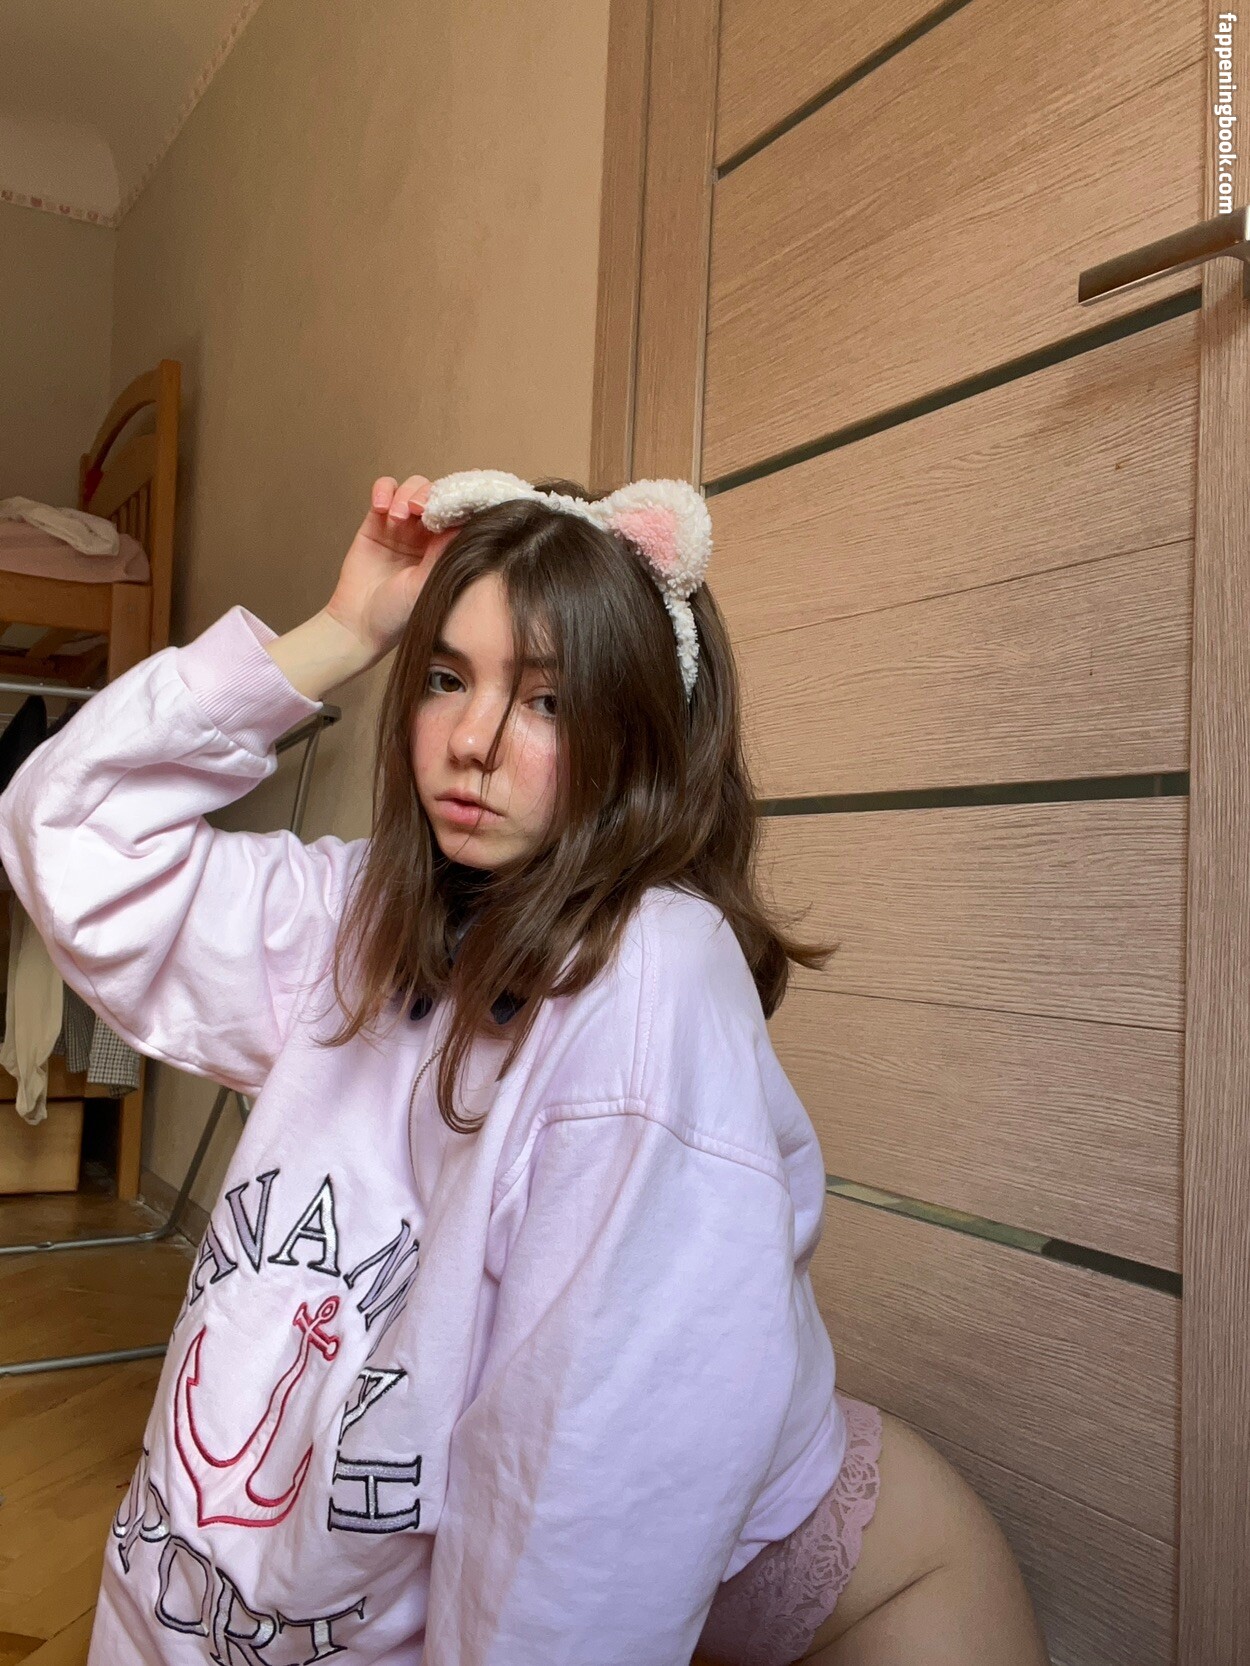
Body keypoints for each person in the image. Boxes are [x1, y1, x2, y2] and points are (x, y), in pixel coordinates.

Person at [0, 470, 1049, 1665]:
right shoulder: (359, 916)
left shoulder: (650, 979)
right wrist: (340, 631)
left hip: (853, 1581)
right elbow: (64, 832)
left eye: (546, 700)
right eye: (445, 678)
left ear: (635, 736)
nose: (472, 739)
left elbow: (576, 1515)